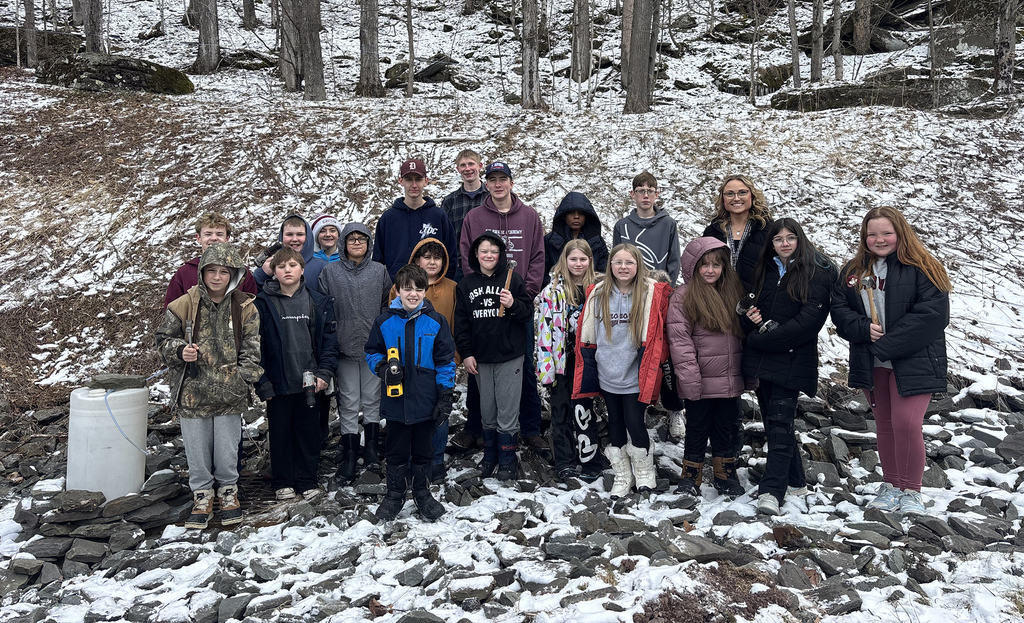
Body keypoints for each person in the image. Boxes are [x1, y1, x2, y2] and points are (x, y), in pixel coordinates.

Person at [831, 206, 951, 516]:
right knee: (884, 425)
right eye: (872, 234)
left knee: (906, 422)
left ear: (900, 233)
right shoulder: (854, 271)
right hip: (872, 359)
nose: (879, 239)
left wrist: (887, 344)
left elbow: (933, 315)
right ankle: (892, 485)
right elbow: (840, 311)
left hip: (914, 358)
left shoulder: (924, 267)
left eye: (886, 233)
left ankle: (911, 491)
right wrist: (861, 328)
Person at [156, 243, 263, 529]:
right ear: (202, 272)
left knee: (227, 448)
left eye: (224, 272)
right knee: (197, 448)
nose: (217, 277)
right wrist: (180, 351)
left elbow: (252, 348)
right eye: (211, 271)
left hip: (230, 392)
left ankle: (228, 492)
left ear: (234, 275)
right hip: (193, 391)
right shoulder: (182, 305)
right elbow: (163, 341)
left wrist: (243, 378)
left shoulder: (245, 306)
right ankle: (202, 495)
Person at [740, 218, 836, 516]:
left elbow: (808, 323)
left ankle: (772, 490)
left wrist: (760, 340)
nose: (784, 243)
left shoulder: (816, 273)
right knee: (773, 421)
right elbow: (747, 312)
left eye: (790, 238)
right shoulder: (765, 271)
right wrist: (751, 320)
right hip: (766, 357)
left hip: (793, 357)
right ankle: (795, 480)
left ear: (800, 240)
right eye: (778, 239)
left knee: (780, 423)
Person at [457, 161, 547, 453]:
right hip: (483, 306)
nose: (497, 184)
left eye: (502, 179)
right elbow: (466, 256)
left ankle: (530, 428)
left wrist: (525, 294)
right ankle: (477, 427)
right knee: (479, 369)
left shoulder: (530, 217)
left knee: (524, 368)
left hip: (516, 306)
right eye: (492, 179)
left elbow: (537, 258)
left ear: (511, 182)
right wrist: (476, 290)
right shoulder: (474, 217)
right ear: (486, 183)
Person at [573, 243, 671, 499]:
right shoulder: (598, 293)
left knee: (634, 420)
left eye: (629, 262)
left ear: (638, 265)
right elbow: (589, 333)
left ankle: (645, 473)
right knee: (615, 421)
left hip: (636, 372)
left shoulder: (650, 293)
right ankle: (622, 474)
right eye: (618, 262)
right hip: (608, 370)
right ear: (610, 266)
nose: (623, 267)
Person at [365, 265, 456, 522]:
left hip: (426, 398)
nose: (413, 294)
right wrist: (383, 368)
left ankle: (422, 492)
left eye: (418, 288)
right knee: (395, 448)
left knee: (424, 448)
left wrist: (445, 395)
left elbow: (446, 361)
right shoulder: (384, 322)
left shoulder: (436, 322)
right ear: (398, 290)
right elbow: (371, 352)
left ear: (425, 290)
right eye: (407, 289)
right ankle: (394, 493)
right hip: (396, 399)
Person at [254, 248, 340, 502]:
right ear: (274, 272)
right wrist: (262, 382)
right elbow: (254, 346)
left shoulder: (319, 302)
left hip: (311, 383)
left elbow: (329, 342)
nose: (287, 270)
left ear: (302, 269)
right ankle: (283, 481)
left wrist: (325, 371)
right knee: (280, 433)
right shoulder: (262, 304)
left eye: (293, 265)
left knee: (309, 432)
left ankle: (306, 479)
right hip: (279, 382)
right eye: (281, 266)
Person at [666, 238, 748, 499]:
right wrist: (689, 379)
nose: (711, 270)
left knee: (726, 426)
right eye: (705, 265)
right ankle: (691, 475)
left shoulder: (733, 294)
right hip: (700, 378)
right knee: (697, 428)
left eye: (716, 265)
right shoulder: (683, 296)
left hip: (728, 377)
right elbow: (680, 342)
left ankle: (725, 473)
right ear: (693, 266)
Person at [455, 232, 533, 481]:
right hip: (481, 357)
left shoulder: (513, 280)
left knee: (507, 409)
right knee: (487, 409)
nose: (488, 255)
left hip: (510, 355)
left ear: (501, 255)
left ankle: (508, 459)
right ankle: (491, 456)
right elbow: (462, 324)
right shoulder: (465, 285)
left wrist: (513, 305)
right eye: (483, 250)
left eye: (493, 251)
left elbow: (526, 314)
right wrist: (466, 353)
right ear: (475, 254)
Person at [318, 223, 392, 483]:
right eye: (352, 239)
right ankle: (349, 453)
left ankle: (371, 450)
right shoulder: (330, 272)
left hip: (373, 349)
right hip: (343, 348)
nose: (357, 243)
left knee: (372, 399)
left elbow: (387, 305)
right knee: (348, 402)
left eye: (362, 239)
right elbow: (324, 309)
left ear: (369, 243)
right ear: (343, 244)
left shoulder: (379, 271)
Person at [388, 238, 459, 484]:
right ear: (417, 260)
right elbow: (391, 321)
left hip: (438, 359)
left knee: (438, 412)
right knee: (409, 414)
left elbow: (456, 322)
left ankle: (436, 460)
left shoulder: (452, 287)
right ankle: (409, 461)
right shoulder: (399, 287)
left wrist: (454, 357)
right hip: (406, 362)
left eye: (437, 258)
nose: (431, 262)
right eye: (426, 257)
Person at [537, 239, 602, 482]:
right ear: (564, 260)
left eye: (582, 259)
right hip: (560, 361)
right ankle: (564, 462)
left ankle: (590, 460)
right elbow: (543, 332)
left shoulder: (598, 289)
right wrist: (546, 368)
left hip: (587, 361)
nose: (578, 264)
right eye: (573, 259)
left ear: (590, 261)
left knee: (584, 411)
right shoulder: (551, 291)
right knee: (561, 411)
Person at [372, 158, 458, 282]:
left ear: (426, 181)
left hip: (433, 288)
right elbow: (378, 261)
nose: (414, 185)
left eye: (418, 179)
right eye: (408, 179)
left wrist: (441, 285)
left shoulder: (438, 216)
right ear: (400, 181)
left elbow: (451, 256)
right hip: (397, 289)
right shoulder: (388, 218)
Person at [164, 212, 257, 309]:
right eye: (208, 234)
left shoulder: (240, 272)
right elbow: (171, 311)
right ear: (198, 238)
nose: (214, 238)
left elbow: (253, 310)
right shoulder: (184, 273)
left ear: (227, 239)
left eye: (219, 234)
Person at [702, 174, 774, 291]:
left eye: (742, 192)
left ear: (752, 195)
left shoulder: (767, 229)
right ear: (723, 198)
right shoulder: (712, 232)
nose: (736, 198)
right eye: (730, 194)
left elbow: (776, 271)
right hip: (720, 302)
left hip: (758, 303)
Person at [612, 171, 681, 285]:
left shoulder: (668, 225)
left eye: (650, 191)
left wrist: (667, 290)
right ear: (632, 194)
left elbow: (674, 262)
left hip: (659, 291)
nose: (645, 195)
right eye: (640, 191)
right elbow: (616, 262)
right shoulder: (622, 226)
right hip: (629, 290)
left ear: (656, 194)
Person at [440, 149, 489, 282]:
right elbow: (445, 236)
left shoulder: (491, 197)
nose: (467, 169)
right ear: (458, 169)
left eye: (471, 164)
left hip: (488, 265)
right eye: (463, 165)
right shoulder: (450, 201)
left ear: (480, 166)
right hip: (459, 268)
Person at [543, 192, 609, 287]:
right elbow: (542, 271)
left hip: (589, 292)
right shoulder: (550, 241)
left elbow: (602, 270)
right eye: (571, 213)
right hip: (559, 293)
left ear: (586, 217)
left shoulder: (597, 241)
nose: (576, 217)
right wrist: (554, 288)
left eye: (581, 213)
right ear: (563, 215)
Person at [254, 214, 329, 292]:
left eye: (300, 234)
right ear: (281, 237)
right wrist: (262, 274)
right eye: (289, 234)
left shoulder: (322, 267)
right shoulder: (272, 266)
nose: (294, 239)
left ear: (308, 237)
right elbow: (254, 295)